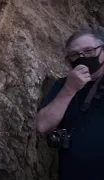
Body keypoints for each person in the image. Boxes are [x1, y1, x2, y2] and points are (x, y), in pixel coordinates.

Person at [35, 28, 104, 180]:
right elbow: (42, 125)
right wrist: (69, 89)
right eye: (74, 54)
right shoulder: (63, 85)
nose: (82, 57)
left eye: (89, 51)